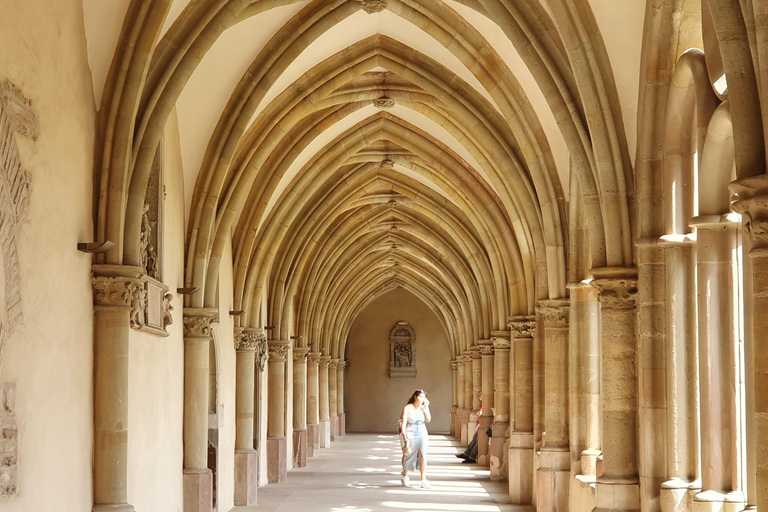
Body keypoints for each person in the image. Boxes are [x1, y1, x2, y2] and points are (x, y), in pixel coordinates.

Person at [399, 389, 432, 488]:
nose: (422, 399)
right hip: (410, 432)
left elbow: (428, 419)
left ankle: (423, 479)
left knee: (422, 455)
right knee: (408, 454)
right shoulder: (408, 408)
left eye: (424, 397)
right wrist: (404, 435)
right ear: (415, 397)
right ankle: (405, 476)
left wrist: (426, 408)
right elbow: (404, 422)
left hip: (422, 432)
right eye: (420, 397)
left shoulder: (423, 408)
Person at [456, 391, 482, 463]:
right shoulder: (483, 404)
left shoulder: (487, 403)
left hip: (484, 425)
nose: (479, 397)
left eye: (480, 395)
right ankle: (467, 454)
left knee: (479, 441)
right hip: (480, 424)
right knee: (474, 439)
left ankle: (472, 457)